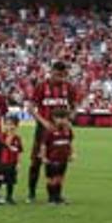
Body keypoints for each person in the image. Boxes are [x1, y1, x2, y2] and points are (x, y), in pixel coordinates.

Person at [27, 61, 81, 203]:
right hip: (43, 130)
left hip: (62, 130)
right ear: (51, 72)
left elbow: (75, 106)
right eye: (58, 75)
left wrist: (70, 119)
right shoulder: (41, 86)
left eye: (63, 75)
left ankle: (57, 194)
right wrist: (43, 121)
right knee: (36, 161)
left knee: (60, 161)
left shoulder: (68, 87)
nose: (60, 78)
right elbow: (31, 108)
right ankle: (31, 193)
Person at [41, 113, 75, 205]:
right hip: (52, 159)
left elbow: (69, 143)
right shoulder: (50, 131)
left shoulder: (68, 131)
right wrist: (43, 157)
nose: (62, 120)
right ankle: (51, 198)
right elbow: (43, 145)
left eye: (64, 118)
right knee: (52, 179)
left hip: (63, 158)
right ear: (54, 119)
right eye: (60, 118)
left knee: (60, 178)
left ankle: (58, 197)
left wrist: (72, 154)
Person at [0, 117, 22, 204]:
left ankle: (9, 197)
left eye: (12, 125)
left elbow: (19, 151)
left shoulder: (18, 138)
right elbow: (5, 144)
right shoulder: (1, 136)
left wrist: (18, 163)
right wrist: (10, 136)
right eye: (7, 124)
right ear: (4, 125)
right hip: (1, 163)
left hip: (12, 163)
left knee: (10, 181)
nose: (10, 127)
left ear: (16, 126)